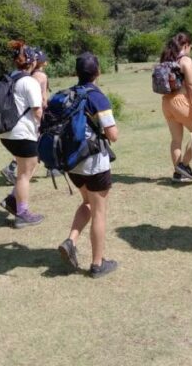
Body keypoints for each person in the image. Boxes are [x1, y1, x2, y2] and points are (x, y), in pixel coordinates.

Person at [57, 53, 119, 278]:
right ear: (98, 72)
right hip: (94, 162)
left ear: (76, 72)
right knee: (100, 211)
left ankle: (71, 241)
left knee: (88, 202)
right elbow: (113, 135)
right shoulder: (97, 97)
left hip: (73, 164)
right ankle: (97, 264)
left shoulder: (69, 94)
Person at [0, 40, 45, 228]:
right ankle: (22, 213)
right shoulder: (29, 82)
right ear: (32, 62)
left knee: (29, 168)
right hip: (23, 133)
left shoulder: (10, 78)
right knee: (25, 173)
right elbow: (37, 110)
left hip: (7, 133)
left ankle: (12, 200)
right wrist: (45, 128)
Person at [0, 47, 52, 184]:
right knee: (38, 145)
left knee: (27, 151)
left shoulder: (14, 76)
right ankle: (52, 167)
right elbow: (43, 99)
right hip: (29, 119)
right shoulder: (40, 77)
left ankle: (12, 169)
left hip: (11, 124)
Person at [159, 32, 192, 183]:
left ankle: (178, 173)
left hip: (166, 102)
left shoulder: (167, 59)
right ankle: (184, 166)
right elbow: (190, 85)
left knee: (176, 140)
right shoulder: (185, 60)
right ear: (186, 45)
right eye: (191, 46)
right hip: (181, 102)